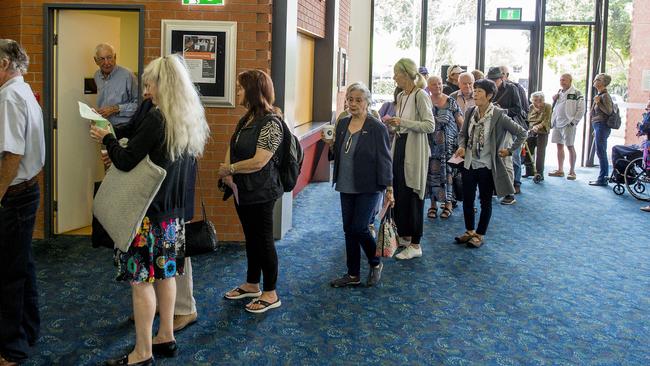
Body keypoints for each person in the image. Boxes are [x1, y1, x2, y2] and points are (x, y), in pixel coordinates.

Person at [91, 54, 209, 366]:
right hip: (171, 216)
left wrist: (106, 138)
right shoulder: (186, 116)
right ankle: (165, 336)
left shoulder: (159, 118)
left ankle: (142, 352)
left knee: (141, 282)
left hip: (147, 215)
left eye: (150, 83)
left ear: (163, 84)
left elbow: (127, 160)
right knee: (166, 275)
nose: (147, 89)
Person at [219, 70, 284, 313]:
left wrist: (230, 168)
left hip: (262, 192)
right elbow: (232, 144)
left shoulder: (271, 122)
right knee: (252, 238)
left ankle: (270, 292)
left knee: (264, 240)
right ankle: (252, 283)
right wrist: (227, 173)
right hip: (242, 190)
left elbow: (260, 161)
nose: (237, 91)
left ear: (253, 92)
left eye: (240, 87)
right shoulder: (246, 118)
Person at [322, 82, 393, 287]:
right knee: (348, 229)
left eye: (358, 100)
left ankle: (375, 262)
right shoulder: (343, 122)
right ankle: (352, 274)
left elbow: (385, 160)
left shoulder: (376, 127)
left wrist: (389, 188)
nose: (353, 104)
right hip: (345, 183)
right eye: (350, 100)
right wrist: (330, 145)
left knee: (360, 227)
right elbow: (338, 153)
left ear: (367, 103)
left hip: (369, 185)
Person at [0, 39, 45, 366]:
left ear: (4, 64)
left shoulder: (9, 96)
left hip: (14, 196)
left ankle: (12, 349)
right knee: (23, 267)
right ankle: (28, 331)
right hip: (27, 192)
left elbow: (12, 155)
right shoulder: (24, 91)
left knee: (9, 274)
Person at [453, 79, 527, 248]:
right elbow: (462, 134)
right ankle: (469, 231)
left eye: (479, 91)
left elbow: (522, 133)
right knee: (467, 199)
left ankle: (480, 234)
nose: (475, 93)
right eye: (475, 90)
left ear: (490, 95)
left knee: (485, 200)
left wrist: (509, 150)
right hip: (469, 163)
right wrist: (462, 146)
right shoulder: (471, 111)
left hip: (487, 166)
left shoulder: (499, 115)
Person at [384, 58, 435, 260]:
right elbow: (404, 125)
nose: (394, 77)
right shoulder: (403, 95)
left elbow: (429, 125)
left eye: (396, 73)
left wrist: (402, 122)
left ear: (406, 74)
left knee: (413, 193)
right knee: (401, 191)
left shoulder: (420, 95)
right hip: (400, 146)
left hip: (414, 149)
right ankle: (404, 237)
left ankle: (416, 243)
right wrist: (394, 125)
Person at [426, 75, 463, 220]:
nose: (438, 86)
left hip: (449, 146)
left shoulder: (451, 101)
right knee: (432, 175)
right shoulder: (426, 102)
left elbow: (461, 122)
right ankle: (433, 205)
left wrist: (463, 142)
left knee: (448, 175)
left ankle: (448, 205)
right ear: (429, 87)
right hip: (431, 146)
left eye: (440, 83)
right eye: (434, 84)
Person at [486, 66, 525, 204]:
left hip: (506, 126)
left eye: (495, 80)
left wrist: (502, 111)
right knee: (491, 158)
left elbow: (518, 109)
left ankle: (510, 193)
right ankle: (493, 189)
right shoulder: (488, 88)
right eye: (490, 80)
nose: (492, 82)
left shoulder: (512, 89)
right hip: (490, 126)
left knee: (507, 159)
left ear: (502, 78)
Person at [549, 73, 585, 180]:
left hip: (568, 124)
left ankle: (572, 171)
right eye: (560, 80)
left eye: (564, 80)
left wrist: (574, 121)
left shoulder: (576, 93)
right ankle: (560, 170)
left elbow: (581, 109)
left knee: (570, 146)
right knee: (559, 146)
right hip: (557, 123)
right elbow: (557, 107)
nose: (562, 82)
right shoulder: (559, 92)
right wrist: (554, 99)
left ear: (570, 81)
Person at [93, 43, 138, 126]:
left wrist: (115, 109)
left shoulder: (128, 75)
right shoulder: (96, 76)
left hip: (124, 128)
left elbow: (139, 105)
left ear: (115, 57)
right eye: (102, 59)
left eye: (109, 57)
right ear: (96, 61)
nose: (106, 62)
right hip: (104, 126)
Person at [588, 73, 614, 186]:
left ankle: (603, 179)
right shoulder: (600, 94)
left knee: (601, 152)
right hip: (598, 126)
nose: (594, 80)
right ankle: (602, 177)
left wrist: (599, 103)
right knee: (600, 151)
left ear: (603, 83)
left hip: (602, 126)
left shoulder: (605, 96)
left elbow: (609, 111)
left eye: (597, 79)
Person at [523, 92, 552, 179]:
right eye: (535, 100)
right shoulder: (531, 106)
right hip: (532, 130)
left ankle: (540, 173)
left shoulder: (547, 106)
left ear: (543, 100)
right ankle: (529, 171)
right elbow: (529, 118)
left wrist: (537, 126)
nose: (537, 102)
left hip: (543, 131)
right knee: (528, 151)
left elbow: (546, 120)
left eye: (540, 100)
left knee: (540, 153)